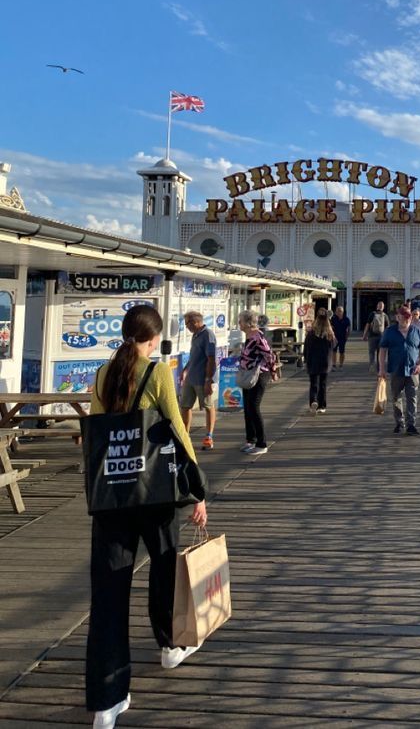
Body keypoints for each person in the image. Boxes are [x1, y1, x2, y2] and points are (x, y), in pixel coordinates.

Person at [86, 305, 207, 729]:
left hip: (112, 498)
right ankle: (169, 645)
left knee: (108, 596)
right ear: (153, 338)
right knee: (164, 569)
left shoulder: (103, 374)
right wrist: (198, 490)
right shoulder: (157, 373)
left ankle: (107, 701)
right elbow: (176, 429)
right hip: (155, 493)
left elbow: (100, 433)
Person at [378, 305, 420, 435]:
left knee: (412, 397)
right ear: (397, 317)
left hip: (412, 370)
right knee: (396, 397)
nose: (405, 319)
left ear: (411, 318)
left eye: (408, 316)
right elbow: (383, 349)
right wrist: (382, 369)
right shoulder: (390, 331)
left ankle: (411, 424)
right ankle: (399, 423)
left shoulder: (416, 331)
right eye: (403, 316)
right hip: (396, 370)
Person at [238, 309, 279, 455]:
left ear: (248, 323)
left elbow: (269, 354)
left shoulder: (257, 337)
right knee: (248, 408)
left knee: (254, 407)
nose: (239, 324)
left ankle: (262, 444)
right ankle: (251, 440)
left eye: (241, 321)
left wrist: (273, 372)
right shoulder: (249, 336)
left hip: (259, 375)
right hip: (247, 375)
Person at [179, 311, 217, 451]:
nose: (186, 326)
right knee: (185, 406)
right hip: (191, 377)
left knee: (208, 406)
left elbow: (211, 359)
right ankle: (185, 435)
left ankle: (209, 436)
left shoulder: (208, 334)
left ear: (196, 322)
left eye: (188, 323)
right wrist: (185, 369)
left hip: (202, 378)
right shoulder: (195, 335)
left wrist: (208, 380)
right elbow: (194, 355)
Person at [305, 308, 337, 412]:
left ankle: (313, 401)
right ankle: (322, 406)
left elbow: (306, 348)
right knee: (323, 384)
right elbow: (334, 345)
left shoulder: (311, 333)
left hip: (313, 361)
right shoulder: (329, 334)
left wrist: (306, 359)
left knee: (314, 383)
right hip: (325, 361)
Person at [362, 300, 389, 370]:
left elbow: (367, 325)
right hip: (381, 336)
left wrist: (364, 335)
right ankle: (379, 367)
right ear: (383, 307)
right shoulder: (385, 315)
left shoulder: (372, 314)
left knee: (371, 352)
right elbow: (387, 328)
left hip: (372, 336)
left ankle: (372, 365)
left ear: (377, 307)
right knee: (380, 352)